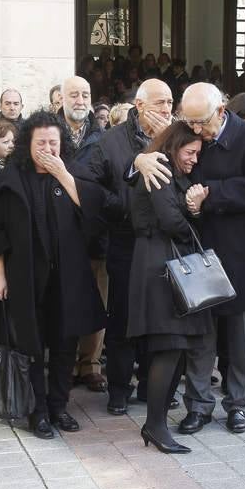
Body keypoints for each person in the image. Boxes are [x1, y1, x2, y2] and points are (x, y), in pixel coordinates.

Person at [134, 82, 245, 434]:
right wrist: (140, 158)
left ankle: (238, 404)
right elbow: (158, 157)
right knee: (201, 335)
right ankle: (198, 405)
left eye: (201, 123)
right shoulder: (190, 132)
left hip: (243, 252)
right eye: (190, 122)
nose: (196, 131)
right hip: (197, 252)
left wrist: (209, 196)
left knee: (244, 339)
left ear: (221, 111)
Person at [0, 110, 105, 439]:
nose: (48, 148)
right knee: (31, 346)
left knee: (65, 344)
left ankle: (58, 406)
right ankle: (37, 411)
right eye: (41, 142)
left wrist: (64, 175)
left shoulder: (72, 172)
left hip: (68, 277)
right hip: (26, 277)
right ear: (27, 143)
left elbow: (95, 211)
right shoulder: (9, 179)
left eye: (54, 142)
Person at [89, 78, 173, 416]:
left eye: (170, 102)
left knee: (158, 318)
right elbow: (90, 185)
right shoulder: (110, 141)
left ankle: (152, 387)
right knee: (122, 318)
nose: (167, 110)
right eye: (160, 104)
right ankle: (119, 389)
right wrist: (120, 203)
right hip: (125, 241)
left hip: (164, 241)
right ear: (139, 106)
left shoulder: (176, 136)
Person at [128, 122, 212, 454]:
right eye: (190, 153)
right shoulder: (160, 169)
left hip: (165, 266)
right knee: (168, 348)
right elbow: (172, 222)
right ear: (174, 147)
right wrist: (194, 210)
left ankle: (157, 423)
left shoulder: (168, 169)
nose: (193, 160)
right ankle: (155, 425)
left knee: (175, 349)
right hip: (160, 268)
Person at [59, 76, 107, 393]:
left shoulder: (103, 138)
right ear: (61, 99)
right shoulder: (47, 133)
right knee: (63, 299)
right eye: (74, 94)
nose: (80, 100)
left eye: (85, 94)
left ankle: (90, 364)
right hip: (61, 230)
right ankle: (63, 362)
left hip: (95, 231)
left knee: (98, 298)